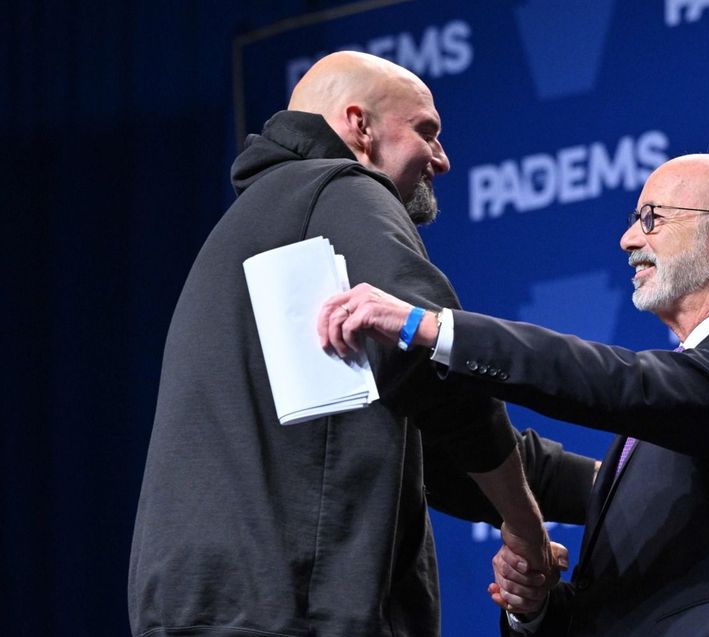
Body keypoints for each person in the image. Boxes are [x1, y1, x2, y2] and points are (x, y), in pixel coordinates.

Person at [128, 51, 593, 637]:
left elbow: (441, 446)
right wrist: (524, 525)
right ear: (359, 126)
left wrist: (615, 488)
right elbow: (437, 369)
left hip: (214, 607)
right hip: (295, 611)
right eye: (427, 131)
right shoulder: (339, 189)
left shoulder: (275, 221)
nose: (443, 160)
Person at [318, 153, 709, 636]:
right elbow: (612, 604)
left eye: (652, 218)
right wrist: (535, 605)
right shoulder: (671, 417)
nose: (629, 239)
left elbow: (627, 384)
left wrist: (433, 327)